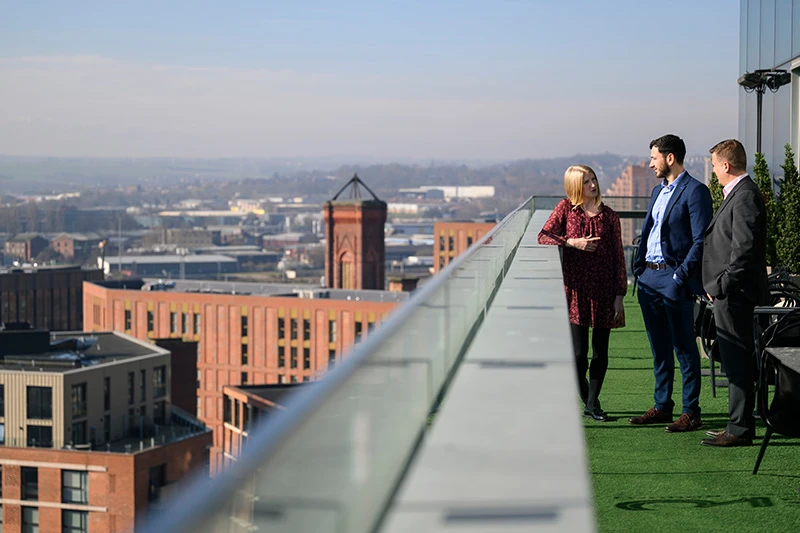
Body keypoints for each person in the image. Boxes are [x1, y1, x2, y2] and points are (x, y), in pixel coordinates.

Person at [630, 134, 712, 432]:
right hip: (648, 277)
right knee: (659, 348)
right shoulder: (657, 191)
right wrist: (640, 268)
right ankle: (663, 406)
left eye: (653, 158)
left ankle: (692, 411)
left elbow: (702, 240)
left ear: (669, 157)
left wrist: (679, 276)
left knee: (684, 348)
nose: (650, 163)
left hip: (673, 278)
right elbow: (651, 229)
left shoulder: (696, 191)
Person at [538, 164, 627, 422]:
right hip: (575, 290)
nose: (592, 185)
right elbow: (543, 236)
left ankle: (592, 405)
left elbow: (618, 258)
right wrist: (571, 242)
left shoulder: (610, 217)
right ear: (575, 186)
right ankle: (588, 396)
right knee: (578, 354)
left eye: (594, 179)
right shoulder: (566, 209)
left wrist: (619, 295)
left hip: (604, 291)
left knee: (601, 352)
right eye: (586, 181)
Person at [700, 139, 767, 447]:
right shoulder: (739, 194)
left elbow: (743, 249)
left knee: (737, 359)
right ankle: (737, 425)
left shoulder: (745, 197)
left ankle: (739, 429)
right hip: (728, 293)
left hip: (734, 295)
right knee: (733, 358)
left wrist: (723, 285)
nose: (713, 172)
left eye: (714, 166)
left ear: (726, 166)